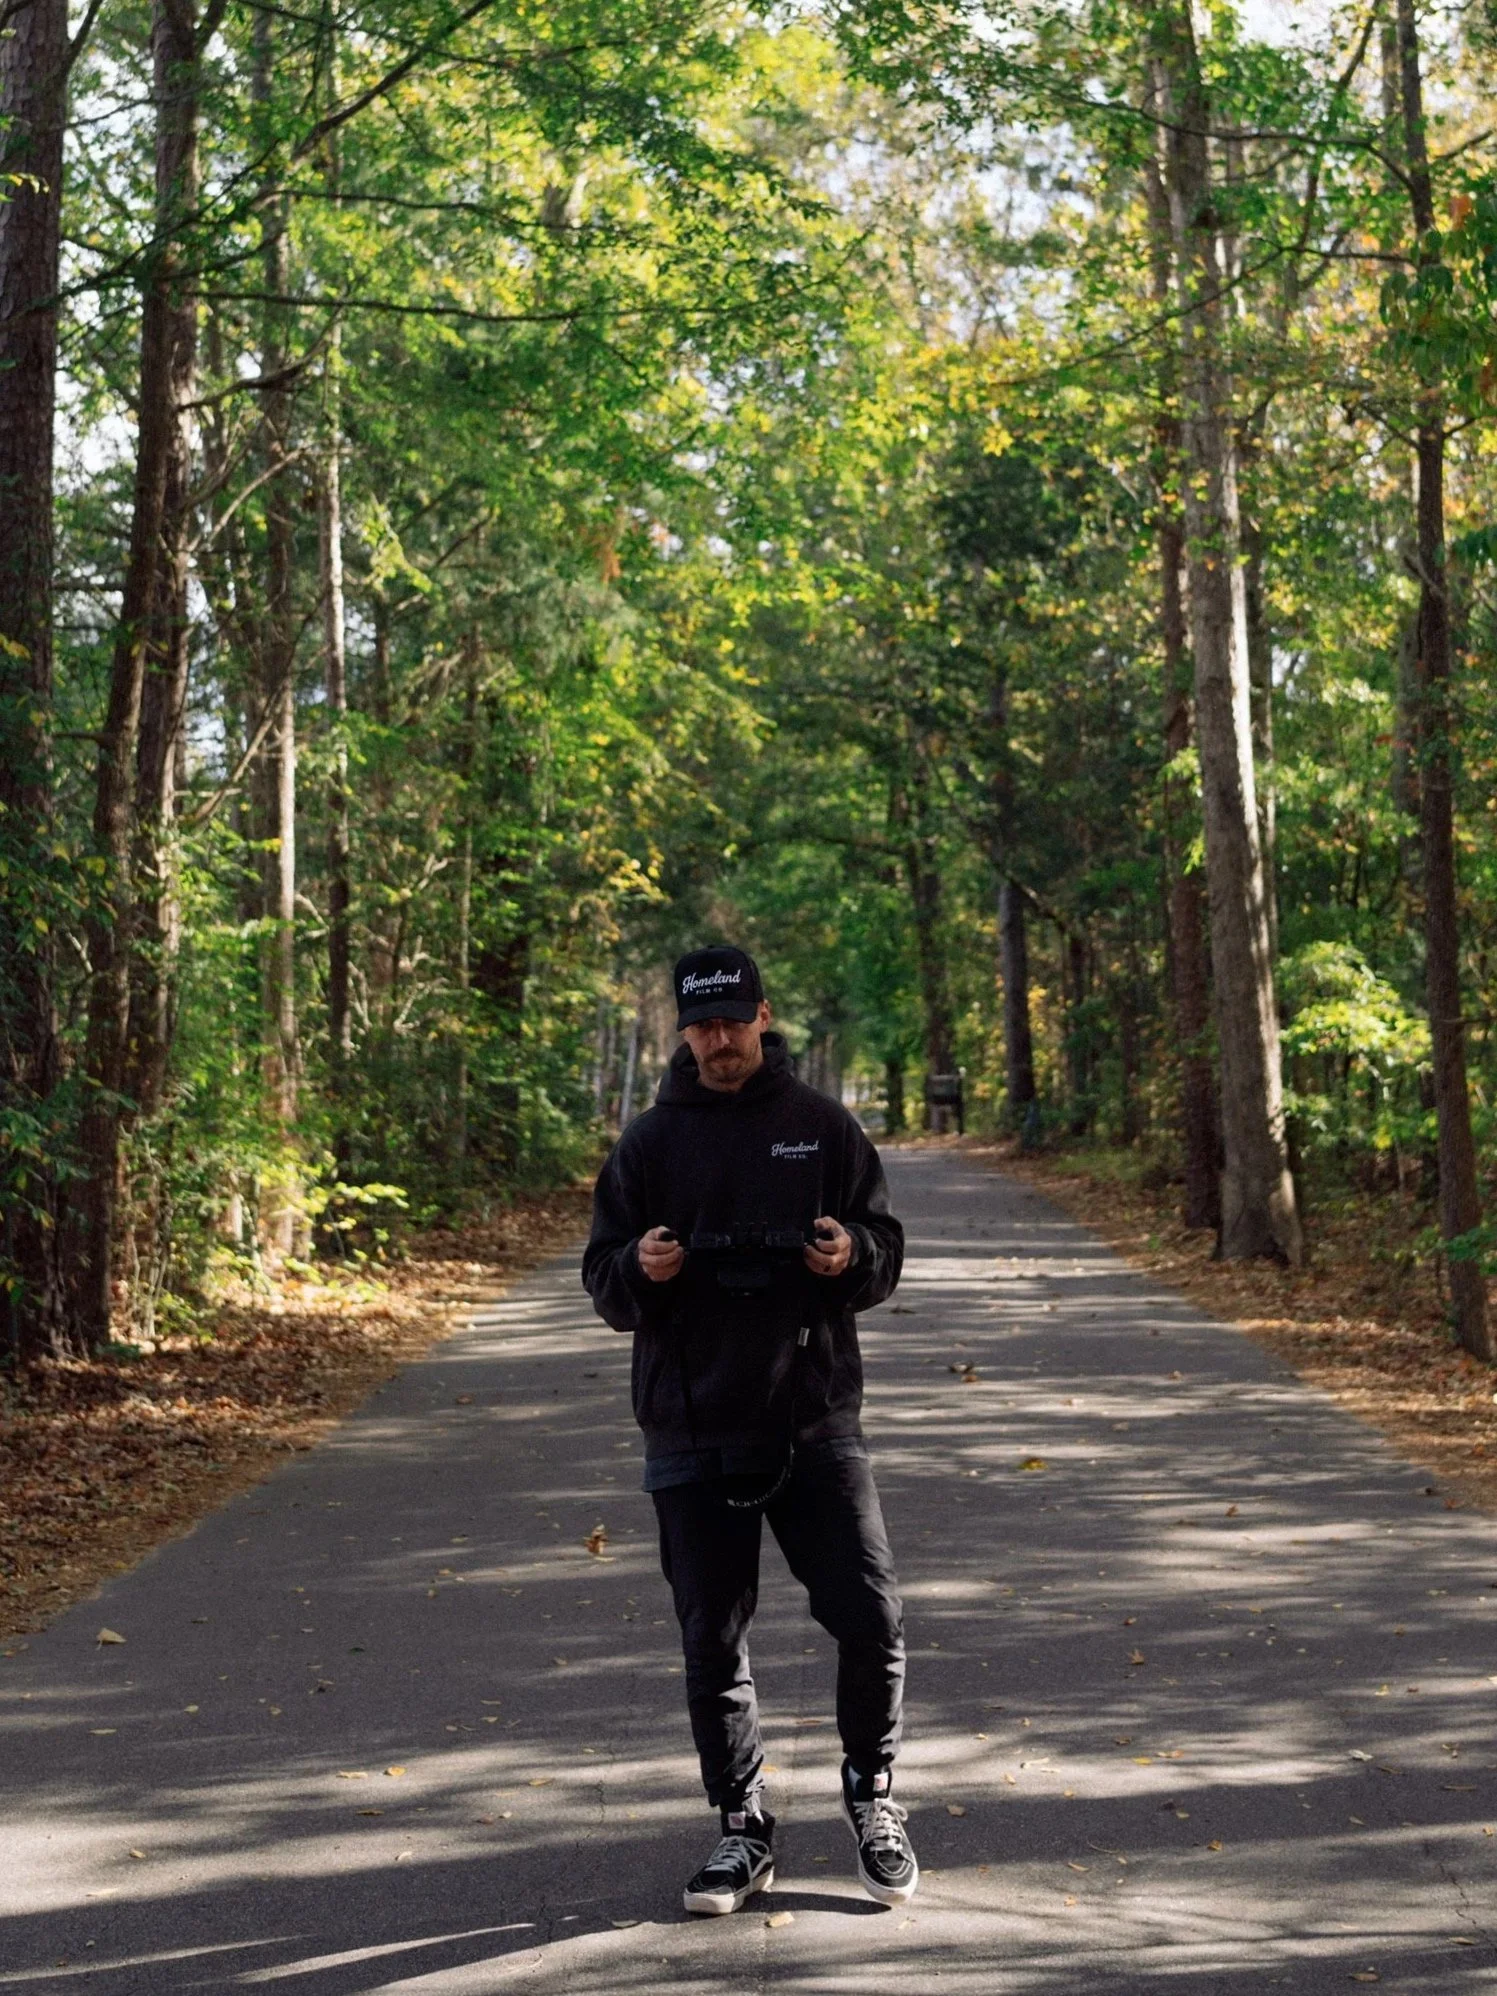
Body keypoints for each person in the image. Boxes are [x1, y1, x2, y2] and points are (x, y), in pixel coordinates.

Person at [582, 944, 917, 1916]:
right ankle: (742, 1822)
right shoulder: (647, 1146)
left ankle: (873, 1793)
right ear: (682, 1031)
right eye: (703, 1024)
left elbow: (886, 1248)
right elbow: (602, 1278)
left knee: (870, 1615)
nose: (720, 1039)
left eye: (734, 1020)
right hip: (690, 1426)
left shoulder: (822, 1129)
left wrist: (851, 1252)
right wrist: (638, 1267)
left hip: (813, 1419)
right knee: (710, 1639)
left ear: (762, 1016)